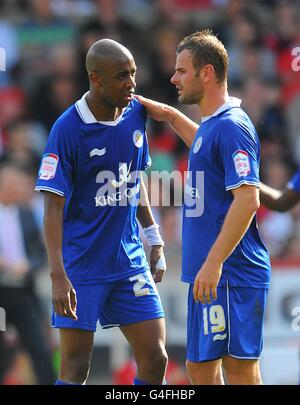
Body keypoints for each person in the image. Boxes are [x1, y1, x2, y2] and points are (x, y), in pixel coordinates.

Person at [137, 29, 271, 385]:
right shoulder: (214, 126)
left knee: (239, 368)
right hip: (210, 274)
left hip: (229, 273)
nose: (173, 78)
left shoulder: (233, 127)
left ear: (207, 73)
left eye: (182, 70)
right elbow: (206, 145)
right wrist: (170, 115)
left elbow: (248, 198)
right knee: (199, 368)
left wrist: (214, 263)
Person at [35, 39, 168, 385]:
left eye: (133, 73)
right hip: (81, 267)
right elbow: (52, 206)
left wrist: (153, 237)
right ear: (96, 78)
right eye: (122, 76)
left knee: (156, 358)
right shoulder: (67, 130)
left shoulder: (136, 114)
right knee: (77, 368)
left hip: (128, 262)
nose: (132, 83)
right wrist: (57, 275)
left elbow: (133, 180)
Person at [0, 158, 55, 385]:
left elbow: (40, 255)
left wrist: (28, 265)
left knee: (40, 349)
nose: (17, 188)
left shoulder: (27, 215)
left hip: (23, 293)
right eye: (11, 183)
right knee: (3, 354)